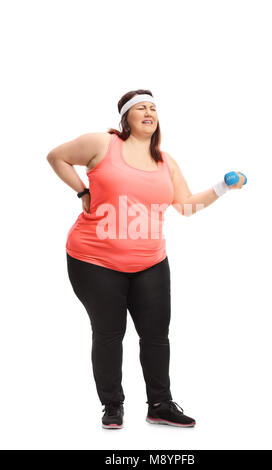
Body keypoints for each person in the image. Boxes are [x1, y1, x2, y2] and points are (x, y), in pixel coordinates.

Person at [46, 89, 245, 430]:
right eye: (141, 108)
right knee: (109, 333)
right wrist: (82, 191)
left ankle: (160, 404)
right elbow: (56, 156)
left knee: (156, 335)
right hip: (95, 259)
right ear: (126, 118)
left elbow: (185, 207)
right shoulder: (102, 144)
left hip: (150, 261)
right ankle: (112, 405)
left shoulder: (166, 162)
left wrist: (221, 188)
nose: (149, 112)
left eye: (153, 107)